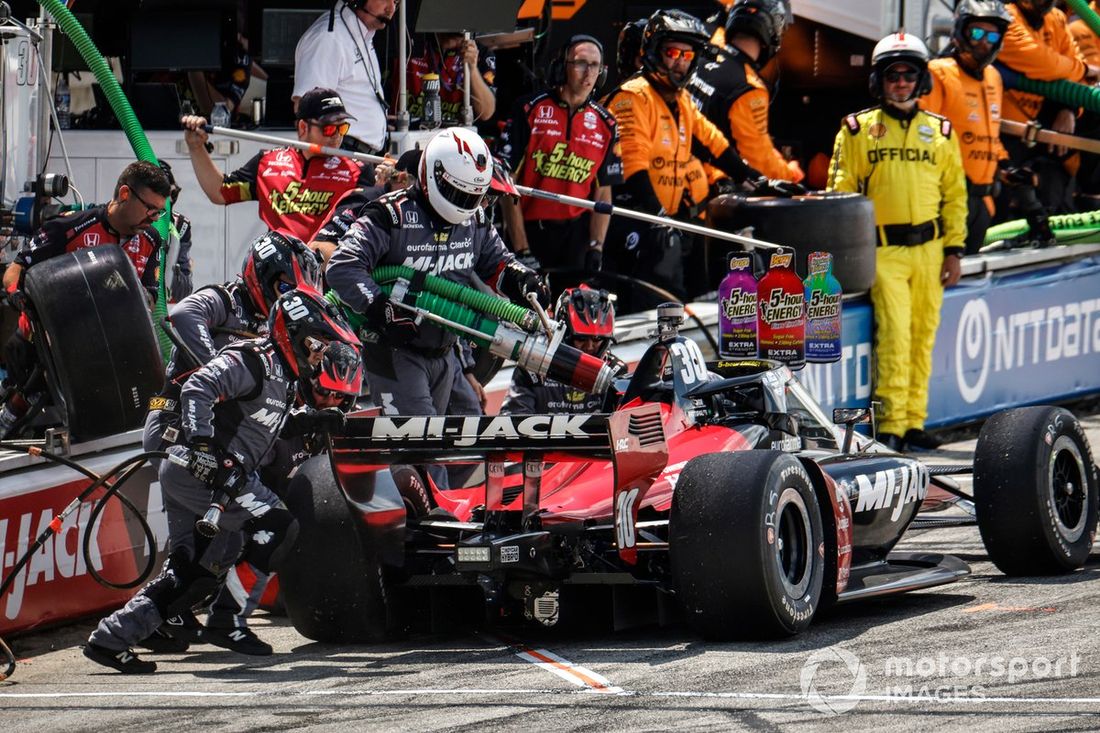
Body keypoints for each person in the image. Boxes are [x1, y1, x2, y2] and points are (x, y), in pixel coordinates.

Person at [84, 289, 360, 673]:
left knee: (196, 569)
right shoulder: (254, 360)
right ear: (293, 334)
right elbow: (198, 387)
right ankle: (227, 620)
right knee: (278, 524)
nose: (320, 355)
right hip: (199, 472)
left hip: (208, 476)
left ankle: (111, 638)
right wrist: (201, 447)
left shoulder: (285, 375)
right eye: (317, 344)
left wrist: (310, 421)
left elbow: (262, 424)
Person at [325, 127, 549, 488]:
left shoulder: (475, 218)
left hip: (447, 352)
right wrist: (381, 309)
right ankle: (436, 528)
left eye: (472, 195)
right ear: (433, 175)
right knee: (426, 453)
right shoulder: (391, 214)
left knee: (471, 439)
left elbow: (498, 264)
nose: (463, 201)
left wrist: (524, 279)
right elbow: (342, 267)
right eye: (456, 192)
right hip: (395, 349)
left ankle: (468, 518)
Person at [826, 32, 967, 452]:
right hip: (882, 252)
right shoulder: (857, 130)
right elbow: (840, 197)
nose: (901, 83)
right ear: (879, 81)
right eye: (893, 75)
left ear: (921, 80)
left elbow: (956, 196)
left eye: (909, 75)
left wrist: (955, 250)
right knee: (896, 337)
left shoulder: (941, 131)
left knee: (923, 335)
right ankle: (889, 425)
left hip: (930, 250)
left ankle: (913, 424)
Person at [602, 10, 780, 307]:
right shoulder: (633, 96)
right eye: (673, 53)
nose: (680, 62)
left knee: (699, 258)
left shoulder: (681, 100)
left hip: (667, 220)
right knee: (660, 265)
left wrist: (757, 179)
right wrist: (658, 218)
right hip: (631, 217)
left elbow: (714, 144)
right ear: (653, 50)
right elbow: (633, 167)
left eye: (687, 56)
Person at [0, 161, 171, 438]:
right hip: (38, 349)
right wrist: (17, 297)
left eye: (159, 211)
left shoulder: (151, 240)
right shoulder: (67, 227)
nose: (154, 217)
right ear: (125, 194)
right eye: (149, 208)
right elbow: (14, 272)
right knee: (20, 416)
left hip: (101, 356)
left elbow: (150, 296)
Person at [181, 87, 374, 243]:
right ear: (303, 127)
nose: (337, 136)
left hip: (329, 274)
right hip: (279, 272)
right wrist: (196, 147)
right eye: (329, 128)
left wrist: (388, 188)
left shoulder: (358, 169)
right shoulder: (268, 162)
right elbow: (219, 192)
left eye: (343, 128)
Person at [498, 35, 623, 272]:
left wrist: (596, 247)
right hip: (530, 232)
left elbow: (604, 192)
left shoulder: (607, 123)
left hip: (577, 237)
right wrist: (521, 249)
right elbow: (508, 185)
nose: (588, 73)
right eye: (580, 63)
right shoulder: (529, 109)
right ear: (561, 67)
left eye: (595, 65)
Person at [923, 0, 1015, 255]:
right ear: (961, 32)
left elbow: (990, 135)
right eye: (976, 33)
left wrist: (1006, 165)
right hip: (947, 202)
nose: (984, 41)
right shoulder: (938, 73)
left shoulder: (994, 77)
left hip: (982, 203)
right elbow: (921, 137)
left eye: (992, 35)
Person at [995, 0, 1096, 220]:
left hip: (1049, 132)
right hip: (1006, 136)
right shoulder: (1005, 18)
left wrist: (1067, 107)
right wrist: (1086, 69)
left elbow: (1074, 73)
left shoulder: (1056, 19)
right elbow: (1041, 61)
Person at [689, 0, 804, 183]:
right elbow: (759, 160)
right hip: (704, 185)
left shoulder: (703, 53)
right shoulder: (749, 89)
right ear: (773, 35)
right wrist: (790, 173)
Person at [293, 0, 395, 154]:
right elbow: (307, 110)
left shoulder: (361, 34)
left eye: (395, 1)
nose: (391, 9)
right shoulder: (329, 38)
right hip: (340, 153)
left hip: (357, 155)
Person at [500, 286, 621, 414]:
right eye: (581, 338)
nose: (589, 346)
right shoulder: (533, 367)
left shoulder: (616, 373)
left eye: (597, 339)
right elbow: (513, 421)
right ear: (564, 334)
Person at [401, 32, 497, 126]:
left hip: (455, 137)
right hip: (410, 131)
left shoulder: (479, 53)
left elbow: (486, 113)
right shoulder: (409, 42)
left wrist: (472, 69)